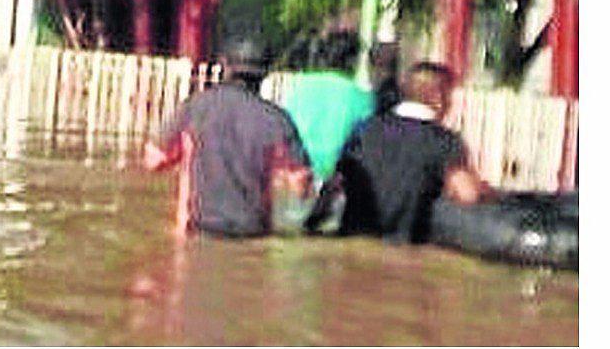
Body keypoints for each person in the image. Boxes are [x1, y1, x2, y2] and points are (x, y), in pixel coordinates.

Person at [142, 41, 313, 237]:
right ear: (265, 73)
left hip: (197, 231)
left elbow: (153, 161)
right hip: (252, 234)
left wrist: (181, 156)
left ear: (225, 67)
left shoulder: (196, 107)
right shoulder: (277, 119)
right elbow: (301, 184)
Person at [335, 61, 490, 243]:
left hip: (352, 240)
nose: (450, 103)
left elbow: (338, 182)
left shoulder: (365, 129)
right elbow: (468, 194)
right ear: (438, 97)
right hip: (404, 247)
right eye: (449, 96)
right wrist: (487, 190)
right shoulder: (444, 141)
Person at [280, 32, 375, 182]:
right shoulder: (362, 97)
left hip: (296, 171)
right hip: (336, 178)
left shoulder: (298, 85)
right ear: (353, 61)